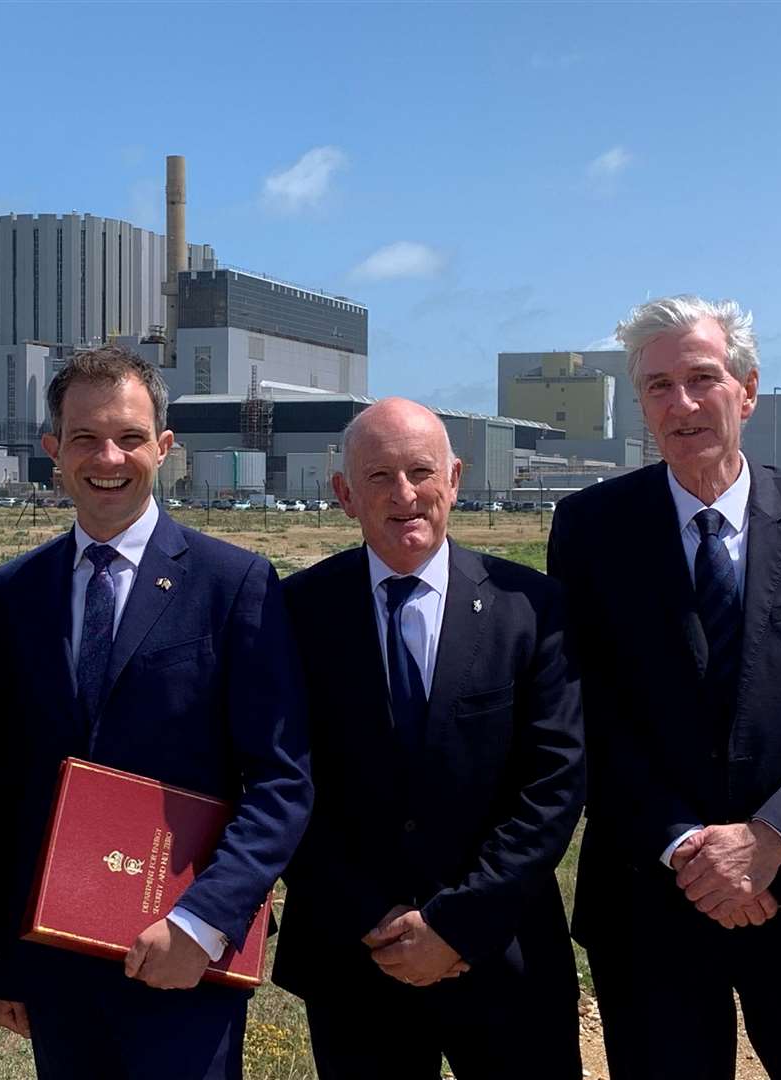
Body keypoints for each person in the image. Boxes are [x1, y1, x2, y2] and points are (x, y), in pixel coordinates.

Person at [547, 296, 781, 1079]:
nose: (680, 404)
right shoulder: (589, 529)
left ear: (745, 390)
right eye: (657, 386)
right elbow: (589, 713)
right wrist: (690, 847)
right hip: (652, 899)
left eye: (701, 378)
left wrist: (768, 841)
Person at [0, 346, 311, 1080]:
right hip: (57, 957)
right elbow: (7, 783)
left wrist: (202, 924)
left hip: (186, 952)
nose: (109, 457)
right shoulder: (15, 592)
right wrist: (10, 952)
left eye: (130, 437)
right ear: (51, 452)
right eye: (85, 437)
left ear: (164, 448)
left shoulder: (235, 585)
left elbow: (280, 781)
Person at [275, 397, 585, 1080]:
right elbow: (282, 781)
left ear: (455, 478)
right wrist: (371, 916)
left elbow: (552, 784)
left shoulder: (528, 608)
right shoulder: (294, 613)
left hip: (503, 953)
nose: (404, 495)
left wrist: (457, 924)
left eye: (421, 472)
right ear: (343, 494)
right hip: (355, 957)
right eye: (379, 476)